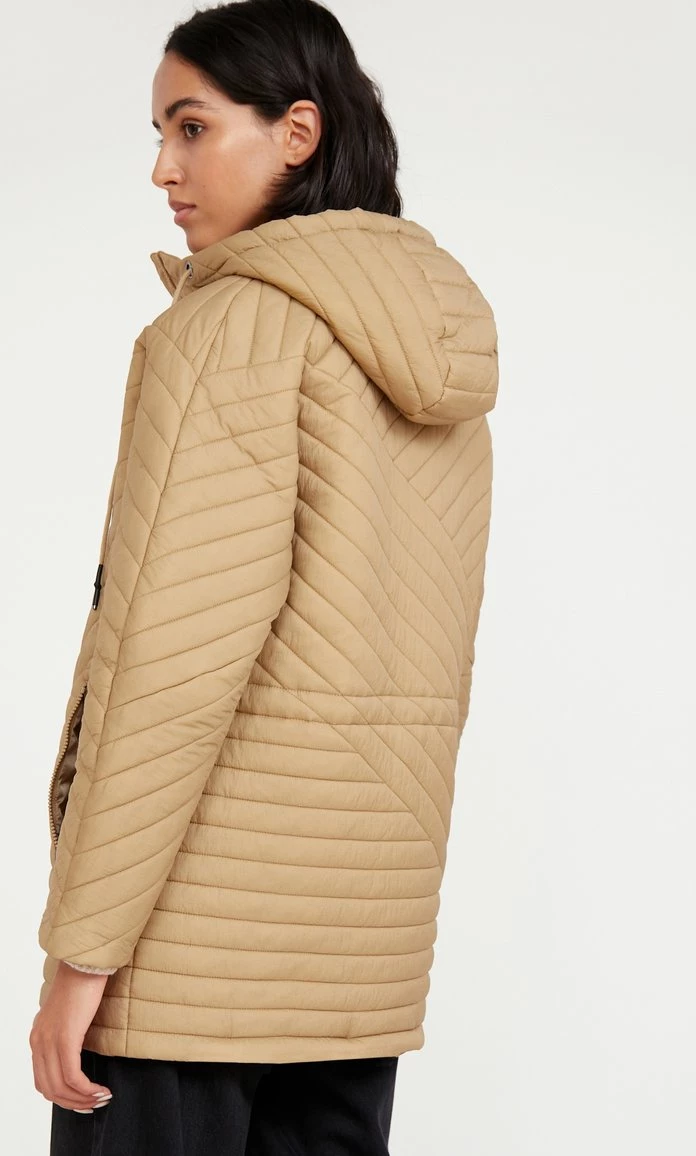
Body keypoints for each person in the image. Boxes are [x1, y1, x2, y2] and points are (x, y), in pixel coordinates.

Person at [29, 0, 499, 1152]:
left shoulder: (226, 332)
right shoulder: (427, 346)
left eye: (191, 128)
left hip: (188, 961)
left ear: (296, 131)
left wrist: (81, 954)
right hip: (354, 965)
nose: (162, 168)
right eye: (158, 133)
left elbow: (168, 670)